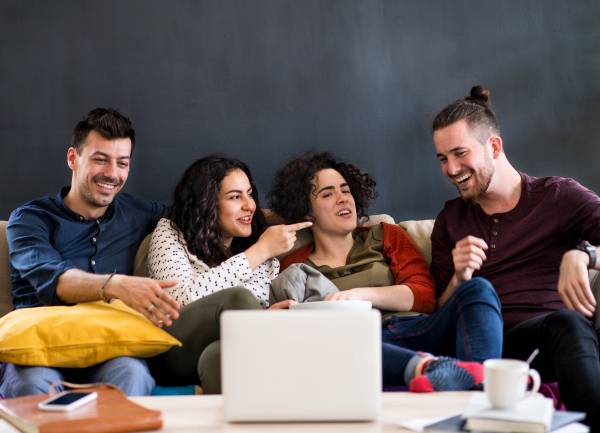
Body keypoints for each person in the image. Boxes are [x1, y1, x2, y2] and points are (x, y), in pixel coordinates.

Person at [430, 85, 600, 429]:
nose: (451, 168)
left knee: (569, 326)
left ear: (494, 147)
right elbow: (436, 315)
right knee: (568, 326)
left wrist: (584, 255)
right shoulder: (450, 219)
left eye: (460, 153)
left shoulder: (558, 196)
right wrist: (459, 279)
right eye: (443, 158)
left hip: (558, 344)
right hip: (489, 350)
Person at [268, 152, 503, 392]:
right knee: (335, 346)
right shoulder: (294, 265)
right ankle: (436, 369)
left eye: (346, 190)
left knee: (478, 288)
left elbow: (425, 297)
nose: (342, 199)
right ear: (307, 211)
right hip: (362, 343)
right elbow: (298, 336)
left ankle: (482, 384)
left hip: (419, 329)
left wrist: (360, 295)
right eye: (328, 194)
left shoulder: (387, 234)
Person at [3, 108, 180, 398]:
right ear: (73, 158)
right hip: (38, 346)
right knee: (31, 386)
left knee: (133, 374)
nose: (112, 174)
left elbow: (197, 217)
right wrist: (116, 285)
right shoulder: (29, 219)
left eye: (122, 163)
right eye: (100, 159)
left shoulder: (137, 213)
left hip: (110, 348)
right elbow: (54, 280)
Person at [147, 154, 311, 393]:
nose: (250, 205)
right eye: (235, 197)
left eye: (250, 194)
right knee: (239, 298)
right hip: (175, 348)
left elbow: (255, 322)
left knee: (220, 357)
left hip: (233, 350)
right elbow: (179, 301)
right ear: (206, 203)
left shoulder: (257, 247)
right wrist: (259, 252)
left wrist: (267, 316)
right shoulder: (170, 233)